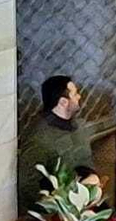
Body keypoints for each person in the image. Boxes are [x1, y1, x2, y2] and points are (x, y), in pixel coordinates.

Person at [19, 74, 94, 209]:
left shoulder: (77, 125)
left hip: (85, 197)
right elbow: (28, 185)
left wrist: (91, 177)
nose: (79, 97)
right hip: (60, 209)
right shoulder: (41, 138)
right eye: (75, 94)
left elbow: (83, 159)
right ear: (63, 102)